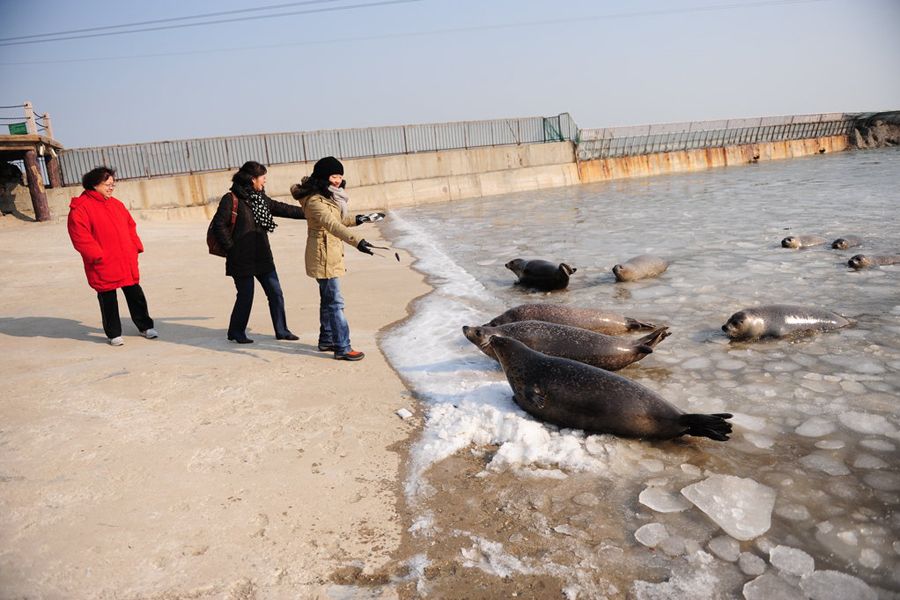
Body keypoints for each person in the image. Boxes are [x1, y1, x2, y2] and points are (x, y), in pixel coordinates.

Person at [291, 156, 384, 361]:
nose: (338, 180)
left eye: (340, 176)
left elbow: (339, 220)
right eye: (334, 176)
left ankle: (326, 339)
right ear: (323, 176)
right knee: (335, 302)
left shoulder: (327, 196)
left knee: (328, 299)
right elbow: (332, 225)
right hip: (323, 254)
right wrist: (358, 242)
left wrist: (360, 219)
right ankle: (342, 347)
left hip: (328, 252)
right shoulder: (315, 200)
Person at [211, 161, 305, 344]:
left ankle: (282, 330)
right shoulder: (230, 199)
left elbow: (282, 208)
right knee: (246, 295)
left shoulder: (260, 198)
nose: (264, 182)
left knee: (275, 292)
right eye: (263, 178)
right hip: (240, 258)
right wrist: (232, 248)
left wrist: (309, 213)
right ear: (252, 179)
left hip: (262, 256)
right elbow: (219, 225)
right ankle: (236, 332)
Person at [67, 166, 157, 346]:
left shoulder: (116, 204)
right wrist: (97, 255)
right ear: (94, 185)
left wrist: (135, 246)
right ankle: (113, 333)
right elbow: (80, 236)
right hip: (103, 262)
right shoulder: (81, 208)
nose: (110, 188)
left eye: (112, 185)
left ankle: (145, 326)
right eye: (107, 184)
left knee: (135, 294)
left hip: (125, 259)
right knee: (107, 298)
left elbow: (130, 226)